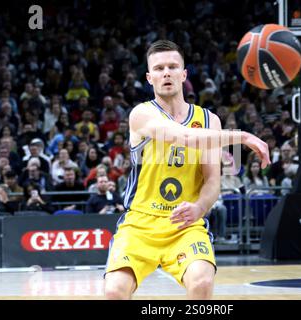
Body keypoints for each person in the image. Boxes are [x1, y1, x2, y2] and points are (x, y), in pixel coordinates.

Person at [104, 40, 270, 300]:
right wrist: (243, 137)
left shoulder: (208, 120)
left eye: (172, 66)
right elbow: (184, 137)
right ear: (149, 78)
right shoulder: (141, 114)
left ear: (184, 74)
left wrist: (200, 208)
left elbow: (213, 181)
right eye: (159, 68)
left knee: (202, 283)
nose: (166, 72)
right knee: (114, 291)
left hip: (185, 224)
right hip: (140, 224)